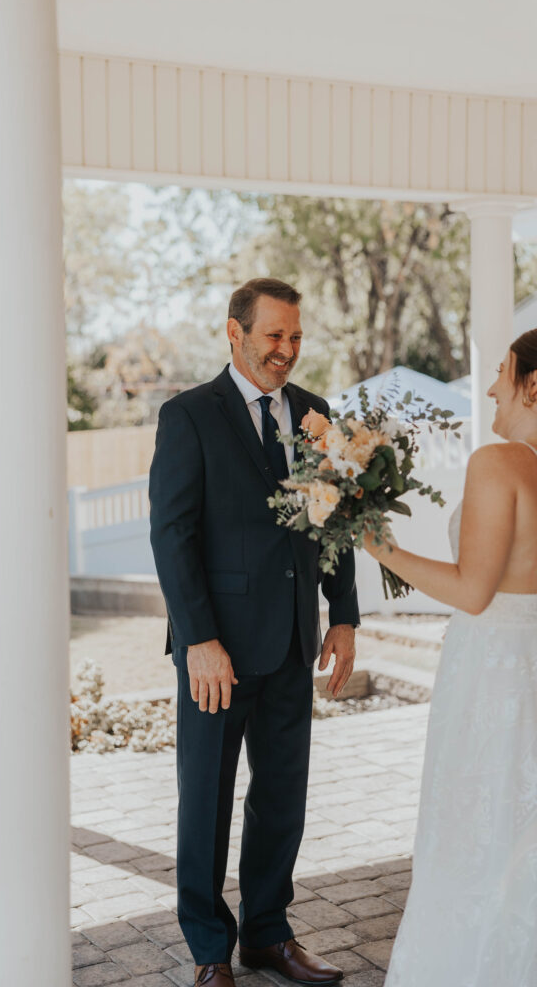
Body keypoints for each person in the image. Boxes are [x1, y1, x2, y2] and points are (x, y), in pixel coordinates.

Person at [365, 324, 537, 987]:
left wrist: (377, 545)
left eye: (502, 372)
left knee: (476, 844)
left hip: (490, 682)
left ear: (534, 384)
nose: (490, 387)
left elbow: (471, 592)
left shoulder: (496, 463)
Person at [149, 277, 360, 987]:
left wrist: (345, 614)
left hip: (294, 639)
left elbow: (334, 519)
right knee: (204, 798)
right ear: (234, 333)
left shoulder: (316, 414)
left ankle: (268, 935)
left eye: (295, 337)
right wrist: (198, 638)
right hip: (218, 650)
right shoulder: (188, 416)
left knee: (282, 796)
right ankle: (211, 948)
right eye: (273, 336)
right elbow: (172, 535)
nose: (286, 350)